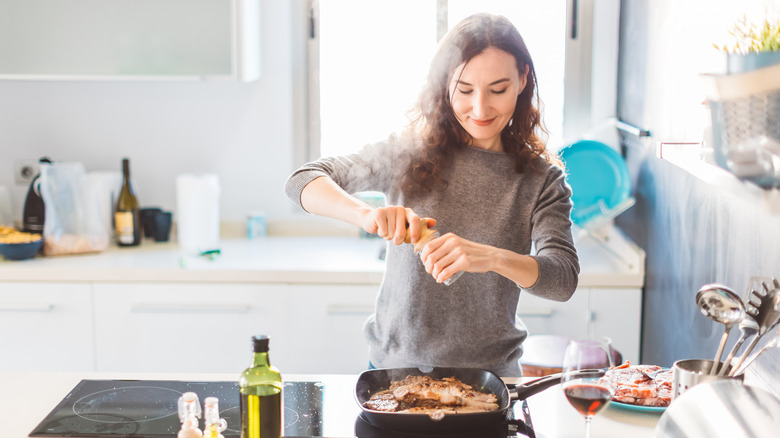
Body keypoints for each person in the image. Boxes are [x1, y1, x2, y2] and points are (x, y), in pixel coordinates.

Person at [284, 13, 579, 377]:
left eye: (498, 89)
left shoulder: (541, 179)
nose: (480, 109)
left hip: (493, 379)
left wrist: (492, 258)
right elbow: (302, 180)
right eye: (465, 90)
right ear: (444, 84)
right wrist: (369, 217)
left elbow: (563, 279)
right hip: (395, 372)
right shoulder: (409, 155)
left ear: (522, 79)